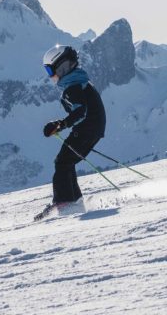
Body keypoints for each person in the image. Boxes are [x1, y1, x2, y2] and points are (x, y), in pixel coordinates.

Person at [35, 45, 106, 221]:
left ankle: (66, 204)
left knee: (62, 163)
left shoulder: (73, 86)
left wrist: (60, 125)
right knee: (65, 162)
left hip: (87, 128)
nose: (50, 75)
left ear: (62, 66)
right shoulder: (78, 81)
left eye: (50, 69)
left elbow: (81, 111)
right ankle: (73, 202)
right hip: (90, 128)